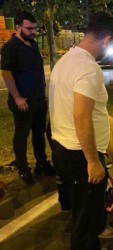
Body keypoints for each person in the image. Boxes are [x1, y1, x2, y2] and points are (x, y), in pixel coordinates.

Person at [49, 11, 113, 250]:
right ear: (107, 40)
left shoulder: (66, 60)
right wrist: (92, 161)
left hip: (63, 147)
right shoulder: (89, 68)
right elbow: (81, 116)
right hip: (81, 155)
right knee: (84, 225)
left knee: (83, 211)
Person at [1, 11, 54, 183]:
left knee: (39, 134)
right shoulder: (10, 47)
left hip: (38, 99)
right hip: (23, 101)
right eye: (29, 28)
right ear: (18, 27)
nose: (33, 31)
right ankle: (23, 169)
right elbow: (7, 74)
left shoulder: (33, 45)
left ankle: (42, 163)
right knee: (22, 135)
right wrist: (17, 97)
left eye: (34, 28)